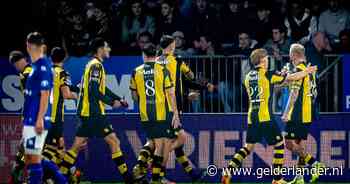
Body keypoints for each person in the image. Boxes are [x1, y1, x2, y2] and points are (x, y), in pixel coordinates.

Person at [221, 48, 317, 184]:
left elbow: (274, 84)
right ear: (262, 60)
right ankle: (277, 179)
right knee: (279, 144)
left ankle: (228, 172)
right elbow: (291, 78)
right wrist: (306, 71)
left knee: (248, 147)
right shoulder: (267, 74)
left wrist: (282, 77)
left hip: (252, 116)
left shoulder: (248, 76)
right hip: (265, 117)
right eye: (266, 58)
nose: (268, 61)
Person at [132, 35, 214, 182]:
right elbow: (189, 78)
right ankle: (155, 171)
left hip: (150, 110)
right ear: (171, 46)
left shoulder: (154, 63)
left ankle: (192, 175)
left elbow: (136, 94)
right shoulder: (177, 61)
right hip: (170, 108)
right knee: (172, 141)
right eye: (174, 44)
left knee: (168, 142)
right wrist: (203, 86)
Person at [58, 38, 133, 183]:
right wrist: (112, 103)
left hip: (87, 112)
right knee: (113, 141)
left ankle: (59, 175)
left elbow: (101, 88)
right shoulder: (96, 66)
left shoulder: (92, 65)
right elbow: (93, 90)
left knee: (76, 146)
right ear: (100, 49)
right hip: (93, 113)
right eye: (107, 46)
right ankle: (128, 179)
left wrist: (118, 98)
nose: (109, 49)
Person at [130, 43, 179, 183]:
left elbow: (134, 96)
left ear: (144, 55)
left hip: (145, 113)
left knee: (151, 141)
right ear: (156, 55)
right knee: (160, 145)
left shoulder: (136, 71)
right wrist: (175, 113)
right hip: (162, 113)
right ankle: (154, 178)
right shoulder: (163, 70)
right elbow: (170, 94)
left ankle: (141, 167)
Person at [281, 43, 325, 184]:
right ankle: (299, 178)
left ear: (294, 55)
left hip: (298, 113)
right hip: (308, 112)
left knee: (288, 143)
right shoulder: (309, 71)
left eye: (290, 53)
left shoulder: (300, 70)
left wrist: (287, 113)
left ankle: (316, 165)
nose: (289, 56)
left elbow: (294, 94)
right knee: (298, 145)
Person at [22, 32, 54, 184]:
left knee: (34, 158)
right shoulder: (36, 66)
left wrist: (39, 119)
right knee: (30, 157)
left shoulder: (42, 66)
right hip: (31, 118)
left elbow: (45, 94)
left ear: (28, 46)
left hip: (37, 119)